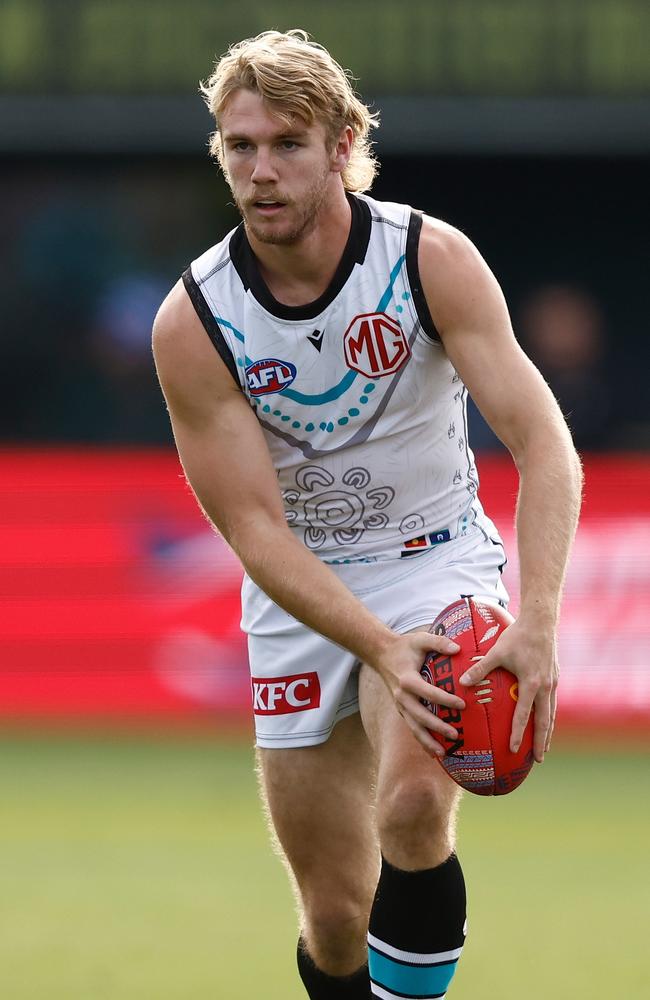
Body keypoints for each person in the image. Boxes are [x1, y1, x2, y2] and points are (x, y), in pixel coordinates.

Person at [152, 30, 582, 1000]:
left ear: (342, 144)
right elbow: (253, 530)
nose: (261, 171)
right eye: (240, 147)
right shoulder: (194, 320)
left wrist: (540, 622)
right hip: (300, 588)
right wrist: (372, 641)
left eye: (286, 144)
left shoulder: (429, 257)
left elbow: (541, 442)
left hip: (433, 557)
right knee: (337, 918)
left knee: (415, 803)